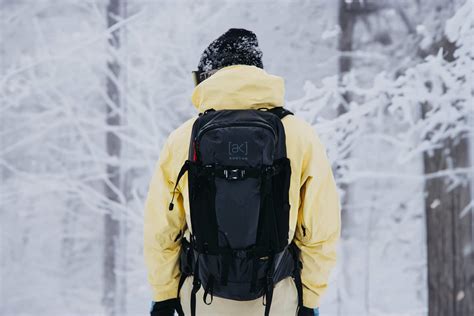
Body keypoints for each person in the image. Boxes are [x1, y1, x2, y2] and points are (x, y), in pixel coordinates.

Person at [144, 28, 340, 316]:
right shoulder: (299, 136)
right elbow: (320, 230)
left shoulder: (183, 138)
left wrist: (163, 295)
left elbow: (162, 230)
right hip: (277, 299)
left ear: (209, 76)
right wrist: (310, 299)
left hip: (201, 298)